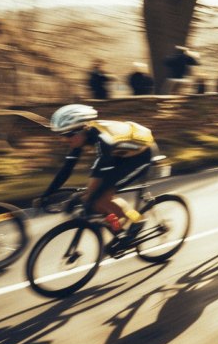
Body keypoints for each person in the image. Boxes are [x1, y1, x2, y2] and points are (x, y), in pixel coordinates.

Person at [34, 105, 157, 246]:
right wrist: (47, 194)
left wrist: (82, 198)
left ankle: (136, 220)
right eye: (62, 135)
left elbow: (99, 176)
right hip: (120, 154)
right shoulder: (84, 135)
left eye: (68, 135)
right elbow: (66, 170)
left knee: (98, 199)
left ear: (83, 129)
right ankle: (119, 229)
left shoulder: (102, 141)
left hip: (141, 156)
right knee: (98, 201)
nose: (65, 139)